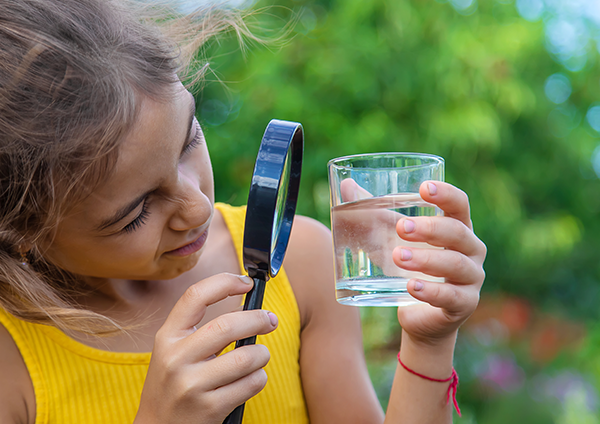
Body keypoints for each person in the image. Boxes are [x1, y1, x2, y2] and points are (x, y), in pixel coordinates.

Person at [0, 0, 487, 423]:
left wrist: (429, 340)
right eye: (135, 213)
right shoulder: (13, 356)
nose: (196, 207)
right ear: (23, 232)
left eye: (189, 139)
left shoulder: (300, 260)